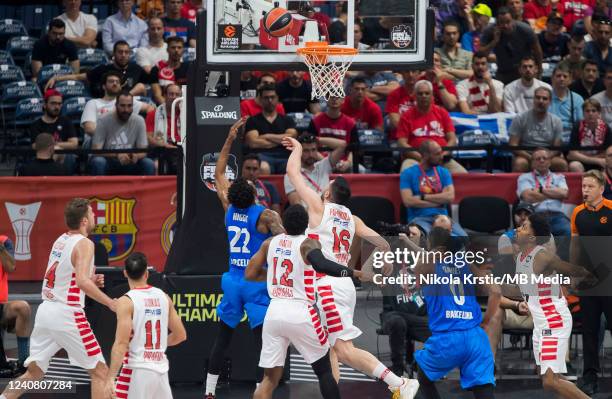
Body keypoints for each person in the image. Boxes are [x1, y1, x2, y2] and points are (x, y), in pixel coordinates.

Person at [282, 136, 420, 399]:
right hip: (344, 285)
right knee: (332, 349)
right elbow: (383, 244)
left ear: (326, 193)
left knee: (343, 349)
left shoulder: (318, 207)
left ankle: (399, 383)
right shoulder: (352, 218)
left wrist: (298, 148)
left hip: (327, 285)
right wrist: (381, 264)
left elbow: (291, 171)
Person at [244, 204, 371, 399]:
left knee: (269, 379)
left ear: (285, 224)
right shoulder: (308, 243)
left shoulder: (270, 243)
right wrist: (354, 272)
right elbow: (322, 264)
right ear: (306, 226)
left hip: (274, 312)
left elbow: (250, 273)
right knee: (324, 372)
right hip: (300, 312)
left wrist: (273, 277)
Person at [0, 198, 116, 399]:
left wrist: (90, 280)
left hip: (46, 312)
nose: (94, 215)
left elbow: (68, 277)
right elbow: (80, 282)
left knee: (33, 373)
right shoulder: (85, 244)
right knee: (100, 372)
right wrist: (111, 302)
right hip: (67, 313)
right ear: (84, 221)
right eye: (91, 213)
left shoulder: (61, 239)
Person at [203, 119, 284, 399]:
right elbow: (287, 238)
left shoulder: (227, 206)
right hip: (255, 282)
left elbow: (218, 175)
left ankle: (209, 391)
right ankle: (263, 389)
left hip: (232, 281)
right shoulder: (264, 215)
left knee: (223, 339)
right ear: (253, 195)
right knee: (262, 341)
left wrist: (229, 139)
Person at [414, 227, 500, 399]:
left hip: (448, 339)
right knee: (483, 387)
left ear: (431, 244)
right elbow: (496, 292)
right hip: (475, 336)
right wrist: (486, 321)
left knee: (422, 375)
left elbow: (419, 274)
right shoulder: (466, 264)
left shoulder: (427, 265)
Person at [514, 213, 593, 398]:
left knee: (551, 381)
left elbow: (576, 270)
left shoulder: (542, 256)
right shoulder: (519, 257)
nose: (518, 228)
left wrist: (594, 276)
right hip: (541, 324)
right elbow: (525, 286)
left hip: (554, 321)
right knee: (551, 380)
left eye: (524, 227)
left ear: (532, 237)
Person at [105, 252, 186, 399]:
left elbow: (121, 343)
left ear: (125, 273)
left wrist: (111, 377)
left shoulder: (126, 301)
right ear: (147, 273)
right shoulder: (164, 297)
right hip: (160, 371)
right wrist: (159, 343)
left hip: (136, 371)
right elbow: (180, 335)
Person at [570, 169, 612, 395]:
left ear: (601, 189)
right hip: (588, 280)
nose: (585, 190)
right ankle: (590, 376)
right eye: (583, 186)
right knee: (589, 330)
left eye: (590, 187)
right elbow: (575, 246)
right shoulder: (577, 213)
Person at [380, 227, 431, 377]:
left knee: (440, 326)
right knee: (397, 321)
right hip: (393, 314)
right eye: (406, 234)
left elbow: (429, 258)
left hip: (420, 316)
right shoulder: (389, 258)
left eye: (412, 235)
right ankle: (398, 369)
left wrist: (409, 243)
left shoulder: (424, 261)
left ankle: (422, 365)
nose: (407, 236)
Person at [400, 140, 468, 237]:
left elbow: (449, 197)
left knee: (462, 238)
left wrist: (422, 197)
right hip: (420, 218)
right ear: (426, 155)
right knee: (428, 237)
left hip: (443, 217)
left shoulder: (444, 172)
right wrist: (439, 202)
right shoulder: (408, 173)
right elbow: (408, 201)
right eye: (437, 154)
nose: (441, 156)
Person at [397, 81, 467, 174]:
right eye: (420, 93)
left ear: (432, 95)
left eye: (427, 93)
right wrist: (422, 158)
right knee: (406, 172)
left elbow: (452, 139)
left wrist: (442, 155)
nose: (424, 96)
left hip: (441, 159)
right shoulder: (406, 116)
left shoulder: (442, 113)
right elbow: (402, 143)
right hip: (416, 159)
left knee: (463, 175)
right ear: (415, 96)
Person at [517, 147, 571, 259]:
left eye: (544, 158)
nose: (541, 160)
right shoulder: (524, 178)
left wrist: (540, 190)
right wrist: (553, 192)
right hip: (535, 217)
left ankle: (562, 266)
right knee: (534, 238)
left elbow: (564, 194)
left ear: (550, 161)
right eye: (538, 159)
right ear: (532, 163)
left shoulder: (559, 177)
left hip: (557, 217)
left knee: (568, 231)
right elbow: (528, 196)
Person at [46, 40, 149, 98]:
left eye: (126, 52)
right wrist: (56, 78)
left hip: (129, 105)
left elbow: (146, 88)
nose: (123, 55)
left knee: (141, 86)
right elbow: (79, 77)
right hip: (107, 104)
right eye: (120, 52)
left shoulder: (136, 68)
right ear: (113, 53)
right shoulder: (104, 69)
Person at [89, 91, 155, 175]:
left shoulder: (139, 120)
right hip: (110, 161)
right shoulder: (103, 120)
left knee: (148, 163)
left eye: (129, 106)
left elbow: (143, 150)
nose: (126, 110)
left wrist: (136, 156)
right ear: (116, 105)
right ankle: (99, 188)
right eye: (122, 106)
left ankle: (148, 188)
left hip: (130, 162)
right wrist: (117, 155)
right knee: (98, 161)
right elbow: (96, 150)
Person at [80, 71, 151, 144]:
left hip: (122, 143)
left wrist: (148, 130)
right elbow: (89, 128)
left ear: (120, 86)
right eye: (111, 81)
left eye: (117, 82)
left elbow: (150, 109)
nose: (115, 83)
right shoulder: (93, 103)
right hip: (98, 142)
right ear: (103, 86)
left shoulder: (126, 102)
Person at [509, 87, 567, 172]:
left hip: (548, 155)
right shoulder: (520, 118)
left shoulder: (557, 121)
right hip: (526, 155)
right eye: (538, 97)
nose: (541, 101)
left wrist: (544, 158)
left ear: (550, 102)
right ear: (533, 99)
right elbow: (513, 144)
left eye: (545, 99)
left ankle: (559, 185)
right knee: (520, 163)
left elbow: (557, 148)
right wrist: (533, 158)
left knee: (561, 164)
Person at [244, 84, 298, 174]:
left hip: (285, 156)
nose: (270, 100)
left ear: (277, 99)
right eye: (266, 98)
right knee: (263, 167)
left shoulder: (287, 119)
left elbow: (291, 138)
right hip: (262, 156)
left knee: (292, 167)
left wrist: (266, 136)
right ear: (260, 100)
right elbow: (253, 143)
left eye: (272, 97)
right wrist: (280, 141)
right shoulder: (253, 120)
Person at [480, 7, 543, 84]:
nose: (505, 25)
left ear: (513, 20)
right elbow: (481, 54)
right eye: (502, 23)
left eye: (508, 22)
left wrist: (539, 70)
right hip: (503, 71)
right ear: (496, 22)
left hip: (524, 70)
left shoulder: (525, 29)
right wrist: (494, 41)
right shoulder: (489, 31)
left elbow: (537, 51)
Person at [284, 134, 346, 206]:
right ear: (299, 152)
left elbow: (342, 145)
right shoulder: (291, 175)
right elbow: (296, 205)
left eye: (313, 150)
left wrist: (316, 139)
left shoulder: (324, 165)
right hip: (309, 214)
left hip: (328, 212)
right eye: (306, 151)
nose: (311, 154)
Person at [0, 235, 31, 375]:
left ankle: (23, 362)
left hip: (2, 306)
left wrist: (1, 248)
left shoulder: (4, 241)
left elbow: (11, 267)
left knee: (23, 308)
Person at [29, 90, 78, 174]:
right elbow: (35, 146)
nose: (57, 107)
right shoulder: (36, 124)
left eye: (59, 104)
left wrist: (53, 146)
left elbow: (74, 144)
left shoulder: (66, 121)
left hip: (64, 159)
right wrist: (56, 146)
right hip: (43, 159)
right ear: (44, 105)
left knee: (69, 156)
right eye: (53, 103)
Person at [307, 96, 356, 172]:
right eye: (331, 97)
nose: (334, 99)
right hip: (320, 161)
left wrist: (348, 163)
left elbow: (353, 149)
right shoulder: (315, 121)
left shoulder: (350, 123)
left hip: (343, 163)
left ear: (343, 100)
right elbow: (310, 147)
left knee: (362, 170)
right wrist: (327, 163)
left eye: (338, 97)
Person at [568, 99, 612, 171]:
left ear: (599, 113)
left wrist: (596, 158)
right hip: (583, 162)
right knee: (574, 165)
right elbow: (572, 154)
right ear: (583, 113)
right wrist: (595, 160)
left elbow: (608, 152)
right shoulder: (577, 126)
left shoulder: (606, 128)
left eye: (593, 111)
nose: (590, 113)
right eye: (587, 111)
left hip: (600, 162)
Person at [549, 64, 584, 144]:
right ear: (552, 79)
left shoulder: (578, 99)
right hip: (549, 139)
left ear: (570, 80)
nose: (561, 79)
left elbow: (581, 125)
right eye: (558, 76)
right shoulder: (545, 97)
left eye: (565, 76)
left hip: (571, 140)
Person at [150, 36, 189, 104]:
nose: (176, 50)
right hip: (164, 106)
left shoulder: (189, 69)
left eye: (179, 47)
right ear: (167, 49)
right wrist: (171, 108)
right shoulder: (157, 68)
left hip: (184, 106)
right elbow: (157, 96)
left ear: (183, 50)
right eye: (173, 47)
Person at [386, 70, 419, 137]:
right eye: (407, 72)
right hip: (398, 136)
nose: (410, 75)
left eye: (414, 71)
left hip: (420, 135)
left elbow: (427, 118)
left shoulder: (425, 94)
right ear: (402, 74)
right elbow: (395, 122)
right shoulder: (394, 95)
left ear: (418, 73)